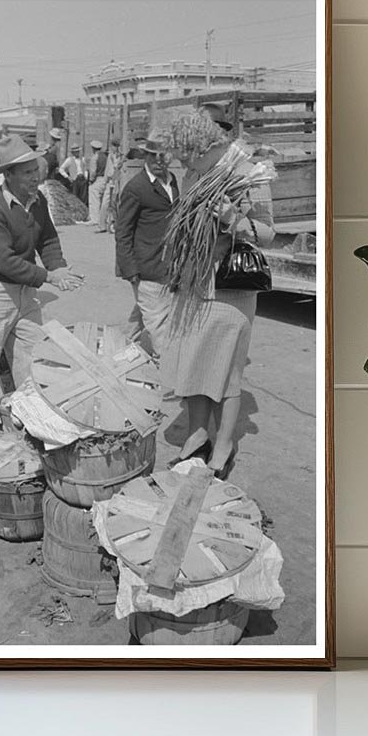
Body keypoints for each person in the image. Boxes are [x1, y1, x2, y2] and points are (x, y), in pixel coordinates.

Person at [0, 134, 84, 399]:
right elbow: (4, 262)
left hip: (24, 292)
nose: (35, 177)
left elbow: (48, 239)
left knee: (32, 354)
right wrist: (49, 277)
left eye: (36, 170)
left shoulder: (37, 200)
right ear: (8, 175)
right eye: (28, 172)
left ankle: (29, 410)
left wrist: (60, 268)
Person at [160, 198, 261, 479]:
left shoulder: (251, 178)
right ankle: (197, 437)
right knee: (195, 367)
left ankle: (224, 447)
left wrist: (234, 220)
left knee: (227, 373)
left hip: (232, 290)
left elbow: (268, 233)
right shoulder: (197, 175)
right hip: (194, 287)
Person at [114, 129, 179, 359]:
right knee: (159, 327)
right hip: (146, 268)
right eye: (153, 157)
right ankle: (167, 377)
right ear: (146, 157)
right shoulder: (136, 188)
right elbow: (122, 232)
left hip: (168, 267)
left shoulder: (173, 183)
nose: (159, 162)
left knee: (144, 317)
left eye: (163, 157)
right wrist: (130, 269)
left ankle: (118, 356)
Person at [87, 139, 108, 230]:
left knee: (94, 199)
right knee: (103, 200)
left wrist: (91, 180)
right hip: (105, 178)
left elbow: (93, 171)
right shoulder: (105, 156)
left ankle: (94, 218)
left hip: (97, 178)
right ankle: (102, 218)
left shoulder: (94, 157)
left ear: (93, 148)